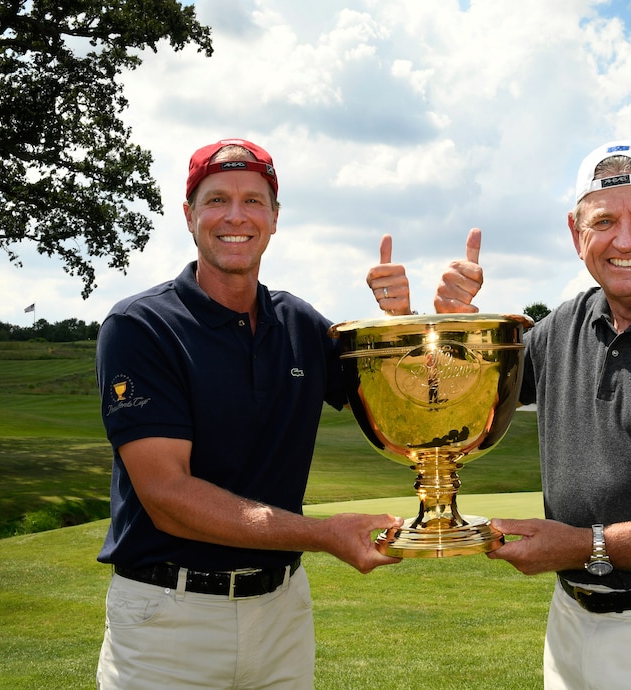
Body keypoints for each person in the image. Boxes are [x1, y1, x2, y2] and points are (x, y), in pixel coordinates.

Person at [368, 140, 631, 690]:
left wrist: (588, 545)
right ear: (576, 235)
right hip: (571, 627)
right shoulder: (561, 328)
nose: (625, 240)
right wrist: (431, 329)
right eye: (604, 222)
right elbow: (451, 398)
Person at [95, 138, 402, 689]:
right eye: (216, 200)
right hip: (169, 619)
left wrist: (402, 323)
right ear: (189, 216)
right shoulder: (141, 327)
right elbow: (168, 497)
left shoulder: (301, 323)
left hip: (282, 613)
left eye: (254, 201)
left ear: (275, 219)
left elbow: (396, 407)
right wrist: (323, 533)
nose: (235, 216)